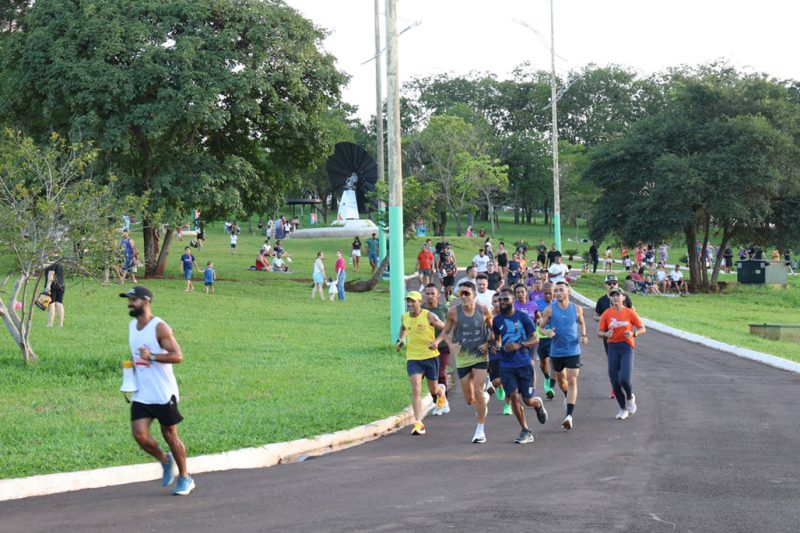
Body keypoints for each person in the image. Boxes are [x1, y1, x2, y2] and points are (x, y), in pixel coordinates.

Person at [120, 286, 195, 495]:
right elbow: (136, 354)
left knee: (170, 435)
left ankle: (185, 478)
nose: (129, 303)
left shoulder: (160, 327)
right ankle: (164, 459)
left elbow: (177, 356)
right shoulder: (132, 326)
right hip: (142, 392)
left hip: (163, 393)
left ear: (146, 301)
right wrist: (130, 372)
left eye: (133, 300)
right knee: (139, 435)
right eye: (128, 299)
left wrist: (152, 356)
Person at [435, 281, 494, 443]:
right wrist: (451, 344)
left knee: (478, 391)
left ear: (474, 295)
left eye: (467, 293)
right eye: (461, 293)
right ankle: (483, 399)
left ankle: (480, 430)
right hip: (462, 359)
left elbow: (494, 330)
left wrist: (488, 344)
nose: (463, 296)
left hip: (480, 356)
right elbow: (445, 332)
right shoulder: (453, 312)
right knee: (470, 399)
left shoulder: (483, 310)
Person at [492, 287, 548, 444]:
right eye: (499, 300)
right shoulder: (496, 320)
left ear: (513, 301)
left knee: (528, 400)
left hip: (524, 363)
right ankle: (525, 430)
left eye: (505, 299)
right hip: (506, 364)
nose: (501, 302)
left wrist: (519, 345)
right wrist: (496, 346)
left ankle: (538, 404)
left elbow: (535, 338)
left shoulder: (523, 317)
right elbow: (497, 339)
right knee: (514, 396)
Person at [538, 282, 589, 430]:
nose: (558, 293)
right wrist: (546, 332)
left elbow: (582, 323)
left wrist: (584, 335)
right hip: (557, 352)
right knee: (561, 380)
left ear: (568, 291)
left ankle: (569, 416)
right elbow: (540, 327)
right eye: (556, 291)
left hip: (573, 350)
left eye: (561, 290)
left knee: (572, 380)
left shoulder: (576, 308)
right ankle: (567, 395)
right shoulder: (549, 310)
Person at [396, 291, 446, 436]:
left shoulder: (428, 315)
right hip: (413, 358)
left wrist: (436, 342)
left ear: (419, 302)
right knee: (416, 388)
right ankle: (418, 423)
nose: (410, 304)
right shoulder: (405, 317)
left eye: (412, 301)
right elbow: (403, 328)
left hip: (430, 358)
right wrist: (400, 341)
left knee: (433, 389)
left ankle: (441, 393)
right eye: (408, 301)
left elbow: (446, 329)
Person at [598, 287, 646, 420]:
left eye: (618, 295)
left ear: (623, 298)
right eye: (613, 296)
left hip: (626, 347)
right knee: (615, 381)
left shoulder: (630, 312)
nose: (615, 298)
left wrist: (633, 333)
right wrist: (606, 334)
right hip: (612, 347)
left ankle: (630, 397)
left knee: (624, 378)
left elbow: (643, 328)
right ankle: (622, 409)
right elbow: (599, 332)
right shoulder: (607, 313)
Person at [422, 284, 451, 416]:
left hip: (442, 348)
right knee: (430, 378)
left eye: (432, 293)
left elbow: (449, 328)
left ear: (438, 294)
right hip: (425, 350)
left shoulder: (444, 309)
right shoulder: (421, 310)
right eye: (427, 294)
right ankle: (440, 400)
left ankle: (441, 402)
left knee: (440, 374)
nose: (430, 296)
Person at [533, 282, 556, 400]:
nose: (548, 296)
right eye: (546, 293)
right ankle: (547, 377)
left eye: (550, 293)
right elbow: (533, 319)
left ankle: (551, 386)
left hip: (553, 337)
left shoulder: (557, 304)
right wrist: (537, 320)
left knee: (553, 361)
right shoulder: (536, 304)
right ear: (542, 293)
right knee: (543, 363)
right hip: (541, 337)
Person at [43, 259, 65, 328]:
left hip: (53, 285)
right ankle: (60, 324)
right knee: (59, 303)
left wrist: (48, 286)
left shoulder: (51, 262)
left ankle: (50, 323)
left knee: (51, 304)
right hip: (62, 284)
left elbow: (51, 273)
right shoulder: (60, 260)